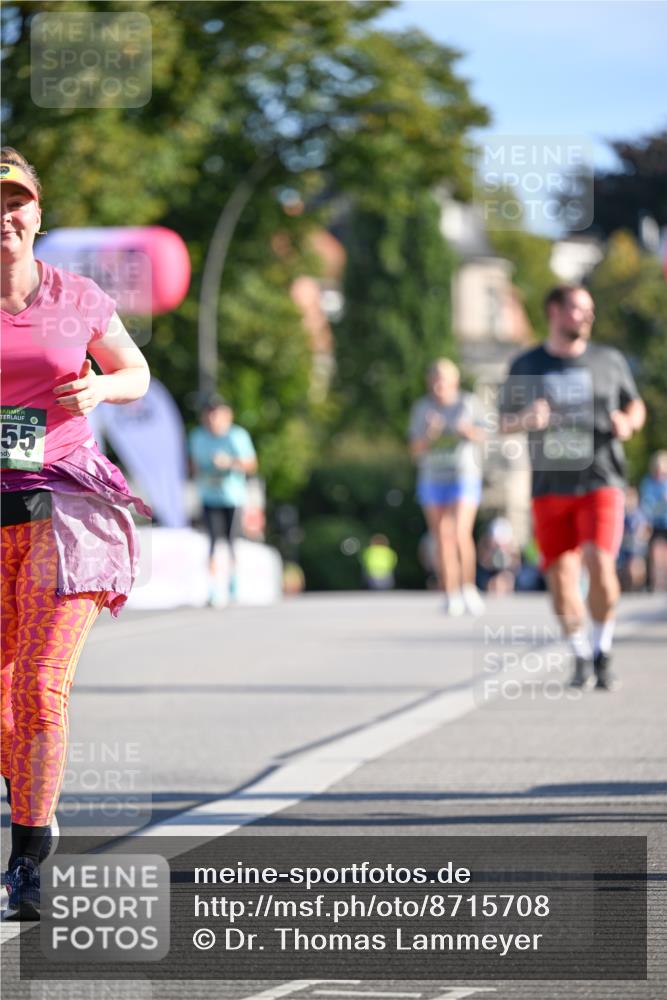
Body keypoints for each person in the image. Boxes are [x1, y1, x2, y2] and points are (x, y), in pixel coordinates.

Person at [0, 148, 151, 919]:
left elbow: (136, 370)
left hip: (63, 506)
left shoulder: (76, 297)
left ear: (36, 211)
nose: (4, 216)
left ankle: (26, 861)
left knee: (38, 686)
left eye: (15, 200)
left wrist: (101, 387)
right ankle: (31, 793)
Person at [499, 285, 646, 690]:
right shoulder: (527, 364)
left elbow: (635, 404)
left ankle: (603, 650)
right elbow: (502, 421)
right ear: (555, 311)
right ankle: (580, 654)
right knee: (561, 580)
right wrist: (525, 419)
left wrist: (629, 422)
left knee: (600, 562)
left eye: (590, 310)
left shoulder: (608, 360)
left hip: (601, 478)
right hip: (549, 485)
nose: (587, 317)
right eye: (579, 309)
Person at [409, 358, 486, 616]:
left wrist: (468, 431)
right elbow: (415, 450)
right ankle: (450, 592)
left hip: (463, 475)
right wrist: (430, 434)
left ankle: (468, 588)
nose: (438, 385)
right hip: (433, 478)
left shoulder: (468, 403)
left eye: (443, 379)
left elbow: (486, 434)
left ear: (454, 380)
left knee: (460, 532)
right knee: (442, 536)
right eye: (434, 380)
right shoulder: (422, 408)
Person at [189, 396, 257, 606]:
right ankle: (212, 589)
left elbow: (251, 465)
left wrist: (230, 463)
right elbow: (193, 466)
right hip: (209, 497)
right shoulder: (198, 437)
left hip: (232, 498)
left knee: (231, 542)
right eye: (209, 415)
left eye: (216, 414)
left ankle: (233, 584)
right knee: (211, 543)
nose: (212, 419)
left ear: (227, 416)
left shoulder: (237, 436)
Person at [640, 450, 667, 591]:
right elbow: (646, 503)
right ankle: (654, 582)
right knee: (654, 552)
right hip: (653, 522)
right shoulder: (648, 482)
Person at [617, 486, 650, 592]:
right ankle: (628, 585)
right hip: (625, 546)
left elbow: (646, 529)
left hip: (637, 546)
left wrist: (640, 535)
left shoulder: (639, 514)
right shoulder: (622, 515)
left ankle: (639, 585)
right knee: (623, 566)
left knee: (637, 564)